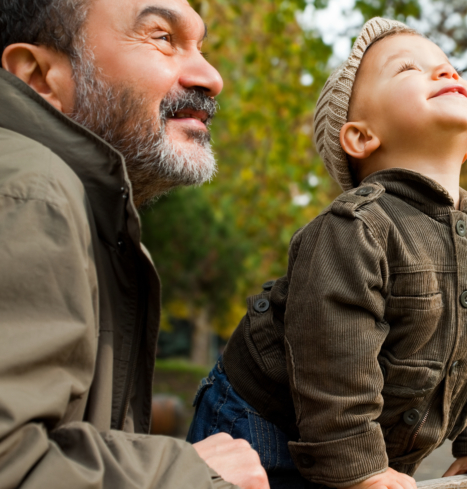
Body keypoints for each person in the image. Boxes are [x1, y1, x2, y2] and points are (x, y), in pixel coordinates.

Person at [187, 17, 467, 489]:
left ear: (466, 150)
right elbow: (334, 358)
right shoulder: (356, 230)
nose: (446, 74)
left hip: (367, 444)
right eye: (409, 69)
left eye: (450, 68)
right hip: (263, 429)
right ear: (362, 137)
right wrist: (358, 467)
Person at [0, 1, 268, 487]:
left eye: (200, 46)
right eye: (162, 37)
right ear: (38, 76)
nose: (211, 77)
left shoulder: (82, 210)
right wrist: (188, 474)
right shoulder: (33, 194)